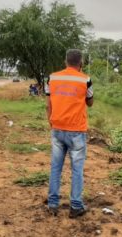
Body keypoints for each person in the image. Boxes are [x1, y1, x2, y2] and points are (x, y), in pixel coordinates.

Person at [45, 49, 94, 218]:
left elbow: (48, 103)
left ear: (65, 62)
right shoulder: (85, 79)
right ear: (81, 63)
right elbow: (90, 102)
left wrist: (51, 122)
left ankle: (52, 204)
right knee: (77, 169)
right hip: (76, 131)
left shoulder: (52, 78)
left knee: (56, 168)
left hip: (57, 129)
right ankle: (76, 206)